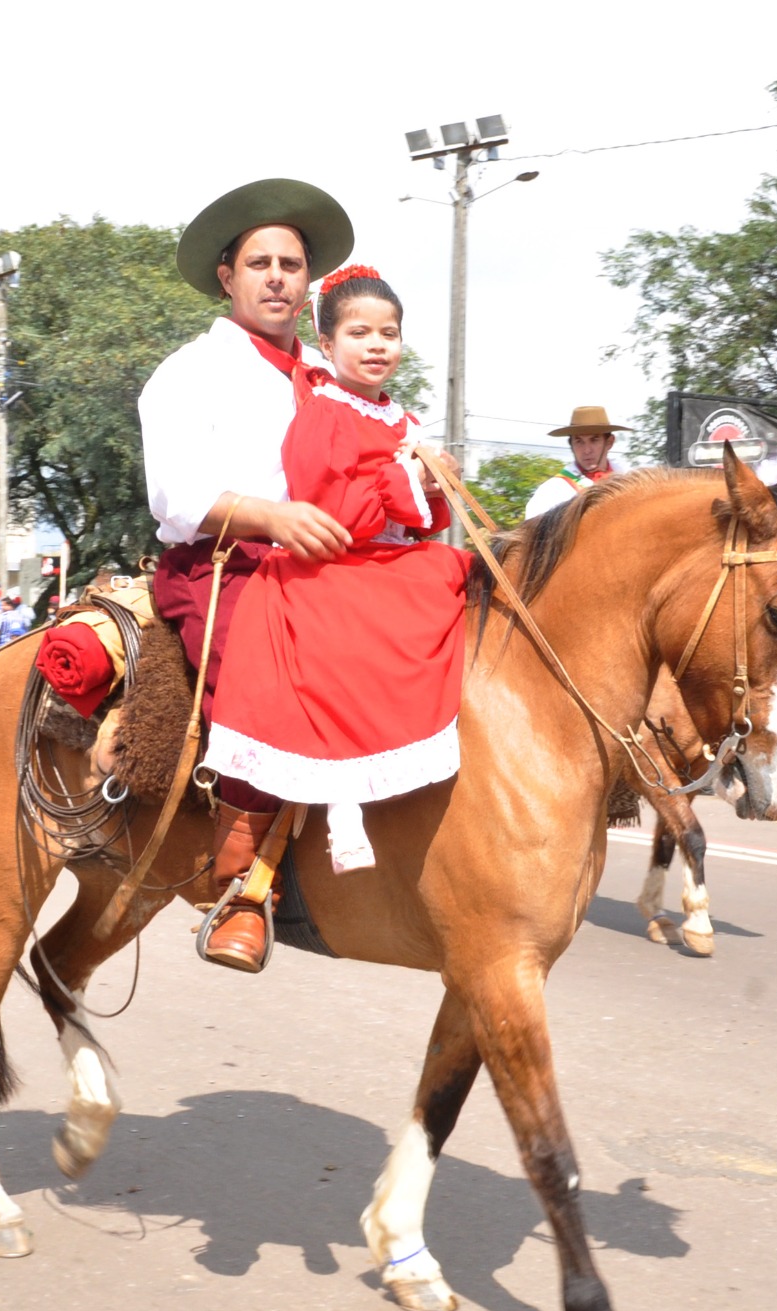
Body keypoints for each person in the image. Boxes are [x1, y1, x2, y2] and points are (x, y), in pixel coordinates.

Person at [139, 178, 362, 972]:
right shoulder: (188, 373)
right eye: (259, 264)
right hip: (225, 565)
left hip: (326, 566)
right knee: (271, 676)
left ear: (308, 283)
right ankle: (245, 886)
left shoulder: (336, 375)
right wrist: (273, 518)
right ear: (227, 277)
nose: (276, 278)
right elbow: (175, 496)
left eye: (291, 265)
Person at [206, 265, 466, 877]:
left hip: (392, 555)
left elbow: (420, 522)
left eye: (389, 334)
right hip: (336, 557)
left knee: (466, 577)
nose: (377, 346)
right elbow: (331, 510)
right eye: (359, 333)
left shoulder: (404, 420)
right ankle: (341, 802)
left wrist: (435, 483)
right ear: (327, 343)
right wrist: (406, 478)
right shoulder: (324, 412)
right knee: (348, 639)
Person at [524, 405, 631, 519]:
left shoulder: (629, 480)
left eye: (594, 440)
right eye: (579, 441)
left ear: (609, 442)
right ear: (571, 444)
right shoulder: (552, 491)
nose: (587, 450)